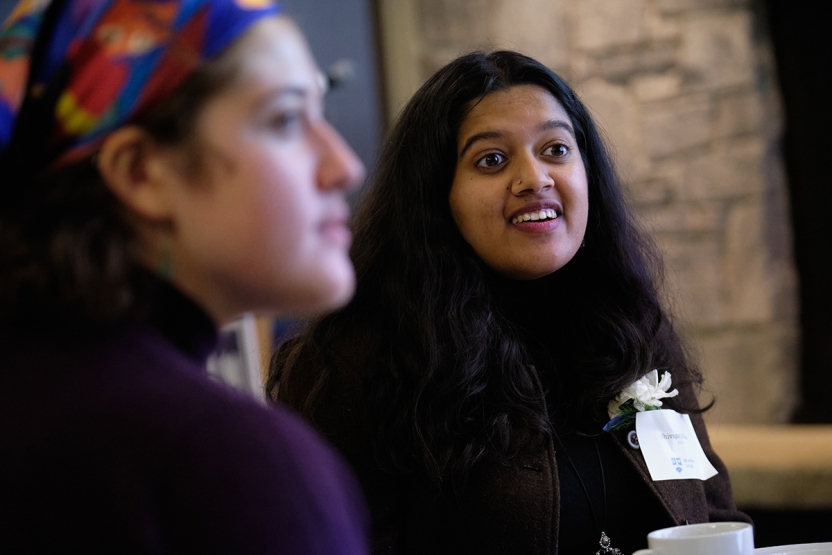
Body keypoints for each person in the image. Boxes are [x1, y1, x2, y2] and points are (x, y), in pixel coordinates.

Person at [268, 51, 750, 555]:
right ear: (436, 197)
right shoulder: (357, 360)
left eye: (556, 149)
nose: (534, 178)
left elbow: (715, 521)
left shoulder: (633, 326)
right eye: (492, 160)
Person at [0, 0, 369, 552]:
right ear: (141, 173)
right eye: (287, 119)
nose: (345, 165)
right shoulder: (227, 464)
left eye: (325, 111)